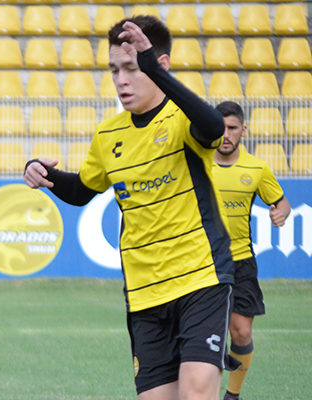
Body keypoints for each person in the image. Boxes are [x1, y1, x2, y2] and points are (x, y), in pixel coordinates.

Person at [24, 16, 237, 400]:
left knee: (196, 394)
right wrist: (44, 175)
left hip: (200, 280)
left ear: (160, 65)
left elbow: (213, 127)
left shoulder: (182, 119)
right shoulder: (108, 136)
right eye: (114, 70)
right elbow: (82, 190)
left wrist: (154, 67)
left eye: (133, 68)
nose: (121, 80)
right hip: (144, 294)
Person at [210, 101, 291, 400]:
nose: (226, 135)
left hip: (241, 260)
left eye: (232, 128)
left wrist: (281, 212)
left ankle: (232, 396)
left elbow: (281, 201)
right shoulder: (198, 162)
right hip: (201, 260)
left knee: (241, 332)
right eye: (221, 128)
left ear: (244, 130)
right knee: (203, 336)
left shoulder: (256, 168)